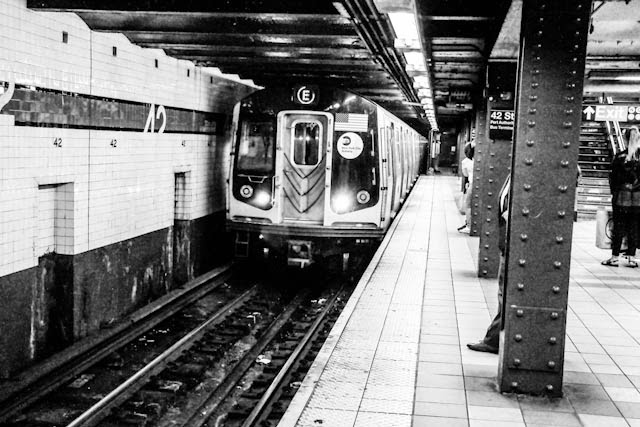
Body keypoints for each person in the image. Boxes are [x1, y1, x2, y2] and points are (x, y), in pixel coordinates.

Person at [467, 174, 510, 354]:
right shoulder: (513, 175)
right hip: (507, 245)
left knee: (505, 294)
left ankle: (493, 340)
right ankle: (494, 339)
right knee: (502, 294)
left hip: (513, 246)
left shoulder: (524, 176)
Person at [602, 126, 640, 268]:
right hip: (638, 199)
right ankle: (631, 258)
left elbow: (612, 178)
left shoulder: (619, 157)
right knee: (634, 227)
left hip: (621, 198)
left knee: (619, 227)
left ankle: (615, 257)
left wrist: (615, 193)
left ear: (625, 138)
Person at [458, 142, 475, 233]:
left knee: (468, 205)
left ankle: (469, 225)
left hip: (472, 184)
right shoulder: (480, 160)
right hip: (479, 185)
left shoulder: (465, 162)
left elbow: (465, 174)